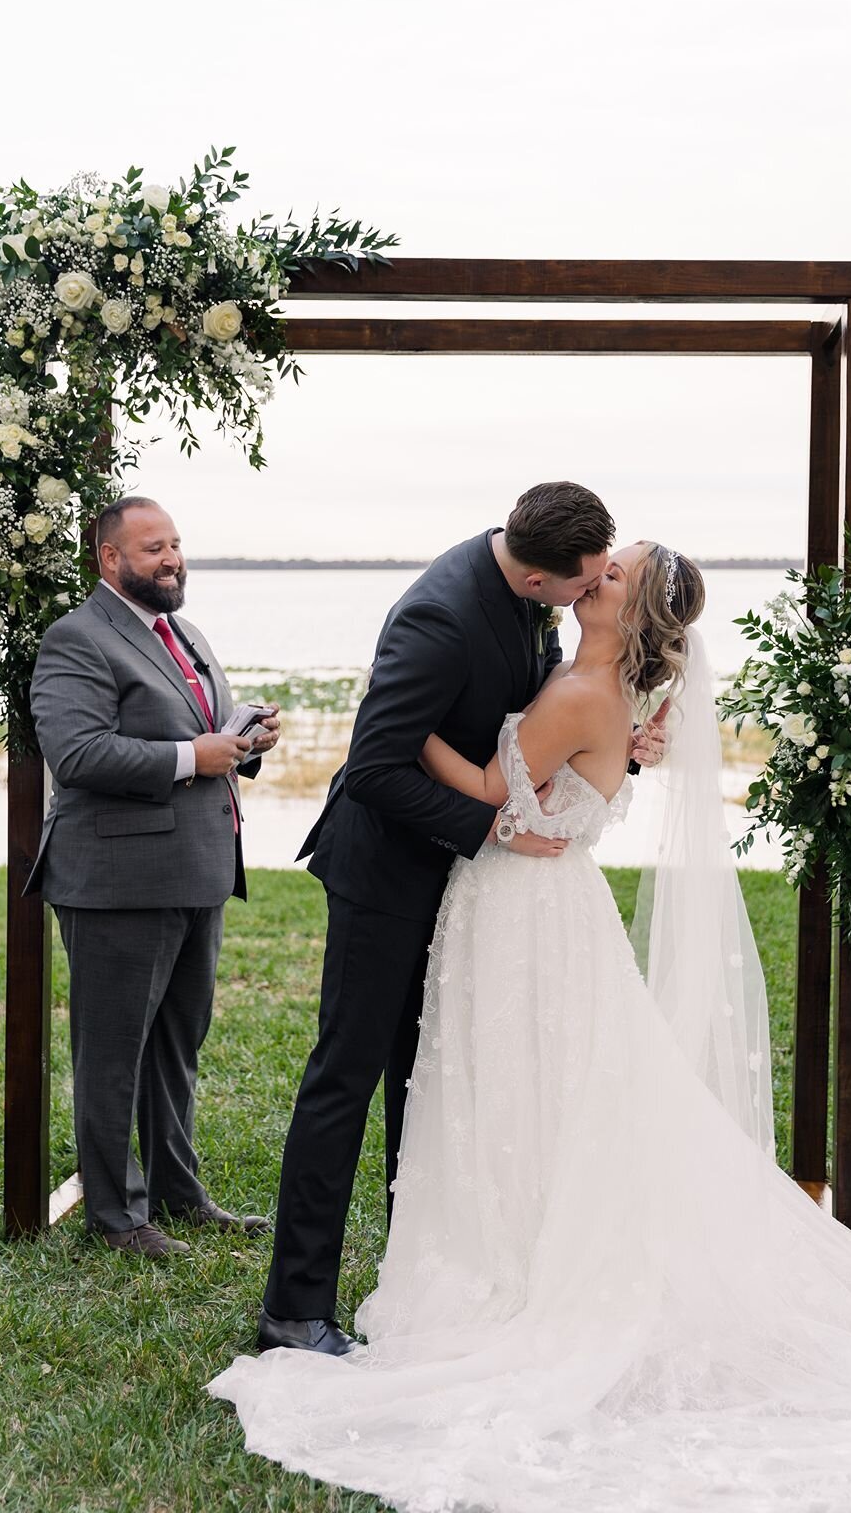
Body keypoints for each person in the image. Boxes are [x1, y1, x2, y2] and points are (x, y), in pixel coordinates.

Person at [213, 541, 851, 1512]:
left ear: (626, 606)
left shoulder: (579, 689)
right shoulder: (584, 675)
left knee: (509, 1083)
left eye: (611, 575)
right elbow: (565, 769)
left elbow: (492, 787)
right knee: (519, 1088)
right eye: (592, 565)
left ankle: (494, 1269)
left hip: (522, 911)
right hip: (532, 904)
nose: (593, 576)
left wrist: (381, 731)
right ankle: (470, 1255)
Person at [259, 482, 635, 1356]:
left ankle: (423, 1273)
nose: (588, 596)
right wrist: (492, 825)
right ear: (537, 572)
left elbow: (530, 722)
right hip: (386, 874)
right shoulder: (438, 616)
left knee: (427, 1080)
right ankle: (292, 1304)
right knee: (345, 1077)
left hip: (465, 888)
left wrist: (615, 751)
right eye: (577, 587)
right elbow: (377, 766)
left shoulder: (536, 596)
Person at [27, 496, 281, 1259]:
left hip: (196, 872)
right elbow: (75, 755)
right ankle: (116, 1216)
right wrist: (188, 758)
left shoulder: (186, 633)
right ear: (110, 561)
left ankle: (178, 1192)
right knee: (112, 1054)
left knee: (177, 1045)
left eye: (174, 544)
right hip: (115, 878)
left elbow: (205, 736)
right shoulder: (76, 639)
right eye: (151, 550)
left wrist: (247, 742)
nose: (171, 559)